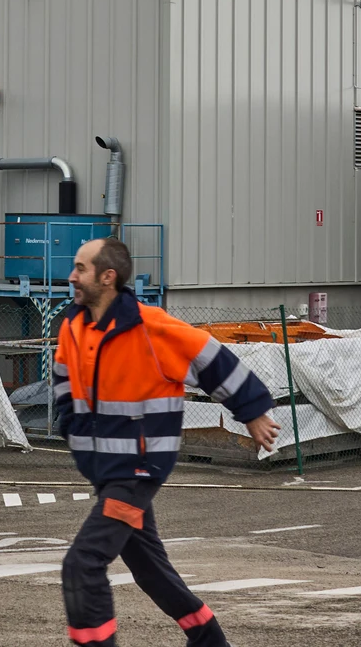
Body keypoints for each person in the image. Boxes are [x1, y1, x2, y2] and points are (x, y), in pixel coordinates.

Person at [55, 238, 279, 647]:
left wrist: (253, 412)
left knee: (82, 565)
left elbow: (213, 360)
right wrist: (70, 427)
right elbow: (63, 380)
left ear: (107, 277)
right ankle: (210, 640)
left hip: (137, 472)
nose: (72, 276)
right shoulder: (73, 326)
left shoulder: (150, 326)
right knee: (149, 570)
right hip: (104, 471)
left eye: (80, 268)